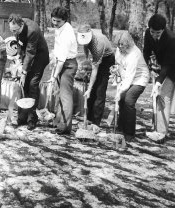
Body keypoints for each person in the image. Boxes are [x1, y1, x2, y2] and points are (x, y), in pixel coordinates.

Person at [143, 14, 175, 136]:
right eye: (152, 32)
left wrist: (158, 82)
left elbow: (168, 64)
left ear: (163, 29)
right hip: (160, 66)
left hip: (174, 68)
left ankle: (161, 132)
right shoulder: (147, 33)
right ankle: (155, 126)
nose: (154, 35)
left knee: (163, 97)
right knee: (155, 96)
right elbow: (146, 51)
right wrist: (149, 66)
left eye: (158, 33)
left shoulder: (172, 39)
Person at [8, 13, 49, 130]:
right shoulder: (17, 28)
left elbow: (31, 53)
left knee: (32, 85)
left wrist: (24, 72)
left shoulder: (33, 30)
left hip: (39, 58)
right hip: (28, 57)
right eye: (12, 30)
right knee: (23, 85)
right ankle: (22, 117)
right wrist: (20, 63)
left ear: (21, 25)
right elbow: (20, 46)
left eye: (15, 30)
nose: (13, 33)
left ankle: (32, 119)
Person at [114, 32, 149, 141]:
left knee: (128, 100)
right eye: (118, 44)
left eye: (122, 45)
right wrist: (118, 85)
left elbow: (130, 76)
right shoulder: (119, 50)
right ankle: (120, 128)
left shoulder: (134, 54)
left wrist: (120, 92)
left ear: (128, 44)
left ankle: (129, 133)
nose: (119, 47)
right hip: (126, 77)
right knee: (121, 100)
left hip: (139, 79)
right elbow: (119, 67)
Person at [77, 24, 115, 126]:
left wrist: (89, 89)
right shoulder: (86, 37)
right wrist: (86, 61)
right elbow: (86, 46)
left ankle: (96, 122)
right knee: (92, 91)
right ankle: (89, 118)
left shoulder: (98, 43)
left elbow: (95, 69)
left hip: (107, 59)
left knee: (99, 90)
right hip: (96, 58)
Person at [48, 7, 78, 135]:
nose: (55, 23)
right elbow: (57, 49)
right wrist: (53, 58)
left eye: (58, 21)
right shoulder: (60, 28)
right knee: (59, 94)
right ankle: (58, 121)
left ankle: (65, 127)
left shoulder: (67, 34)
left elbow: (62, 61)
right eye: (53, 20)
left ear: (64, 20)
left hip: (68, 65)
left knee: (65, 96)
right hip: (61, 62)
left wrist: (54, 77)